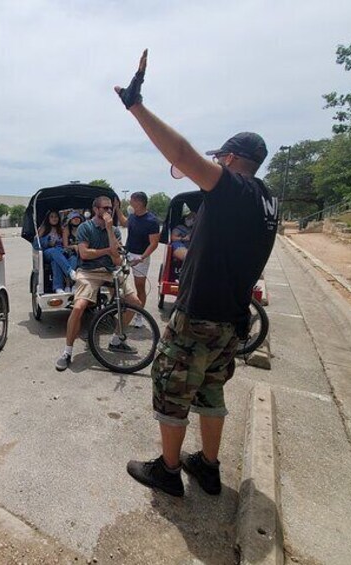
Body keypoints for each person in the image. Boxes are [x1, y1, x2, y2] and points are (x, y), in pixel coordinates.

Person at [115, 50, 278, 497]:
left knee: (171, 389)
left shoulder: (235, 189)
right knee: (211, 391)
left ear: (228, 159)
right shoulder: (268, 200)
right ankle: (207, 466)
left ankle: (167, 472)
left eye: (219, 161)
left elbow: (183, 153)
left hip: (199, 315)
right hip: (231, 319)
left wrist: (136, 106)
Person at [55, 196, 141, 371]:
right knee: (78, 307)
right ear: (96, 209)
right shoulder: (84, 228)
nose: (109, 211)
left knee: (135, 303)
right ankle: (67, 351)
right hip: (88, 272)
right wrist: (107, 251)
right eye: (105, 208)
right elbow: (85, 254)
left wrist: (109, 230)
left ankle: (116, 340)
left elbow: (117, 260)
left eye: (110, 208)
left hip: (110, 271)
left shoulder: (115, 231)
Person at [115, 191, 161, 327]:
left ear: (139, 202)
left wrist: (141, 258)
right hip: (128, 253)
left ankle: (139, 314)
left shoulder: (152, 221)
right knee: (121, 283)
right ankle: (125, 309)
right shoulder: (133, 216)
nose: (130, 202)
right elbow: (124, 223)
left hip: (141, 256)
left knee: (139, 286)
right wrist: (117, 208)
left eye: (132, 200)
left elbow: (154, 243)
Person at [36, 210, 77, 293]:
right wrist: (48, 242)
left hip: (60, 253)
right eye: (52, 217)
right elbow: (36, 243)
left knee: (67, 259)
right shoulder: (43, 228)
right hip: (48, 252)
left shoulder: (61, 228)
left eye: (56, 217)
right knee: (53, 251)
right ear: (48, 218)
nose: (54, 218)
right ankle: (69, 271)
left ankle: (60, 287)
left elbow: (66, 243)